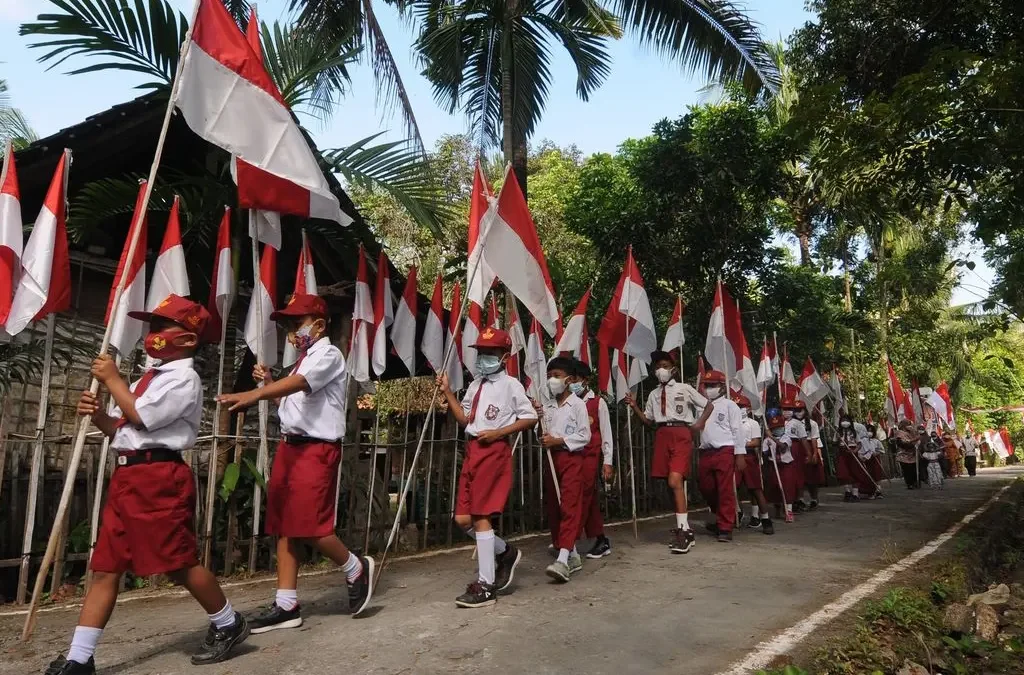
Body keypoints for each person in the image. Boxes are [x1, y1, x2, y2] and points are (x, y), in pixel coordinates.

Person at [46, 295, 249, 675]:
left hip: (159, 478)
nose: (151, 335)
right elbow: (120, 431)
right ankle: (80, 657)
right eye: (151, 327)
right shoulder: (145, 378)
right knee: (106, 566)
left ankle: (228, 622)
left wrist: (113, 380)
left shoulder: (183, 380)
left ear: (187, 340)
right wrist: (99, 411)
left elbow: (141, 418)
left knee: (178, 563)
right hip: (128, 476)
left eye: (160, 328)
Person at [218, 293, 375, 632]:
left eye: (296, 324)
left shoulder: (329, 355)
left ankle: (354, 566)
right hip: (291, 447)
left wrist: (257, 393)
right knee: (284, 525)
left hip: (316, 450)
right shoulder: (301, 361)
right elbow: (293, 409)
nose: (291, 333)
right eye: (288, 326)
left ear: (318, 325)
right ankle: (287, 603)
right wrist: (272, 384)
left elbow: (303, 385)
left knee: (309, 526)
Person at [438, 327, 537, 608]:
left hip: (493, 451)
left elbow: (529, 418)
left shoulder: (511, 385)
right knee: (463, 519)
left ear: (504, 356)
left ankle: (485, 584)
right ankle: (505, 552)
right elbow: (465, 419)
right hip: (472, 450)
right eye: (480, 352)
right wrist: (447, 392)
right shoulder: (475, 384)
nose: (483, 358)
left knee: (481, 515)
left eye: (490, 353)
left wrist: (498, 433)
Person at [625, 350, 709, 554]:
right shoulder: (654, 394)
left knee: (674, 480)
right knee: (670, 483)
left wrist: (699, 423)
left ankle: (683, 530)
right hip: (662, 434)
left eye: (664, 365)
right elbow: (648, 420)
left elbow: (708, 405)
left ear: (673, 369)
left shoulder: (684, 388)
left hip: (680, 432)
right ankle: (685, 528)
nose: (660, 370)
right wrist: (634, 406)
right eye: (657, 367)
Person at [538, 357, 591, 582]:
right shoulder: (548, 406)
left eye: (557, 376)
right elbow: (543, 435)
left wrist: (559, 440)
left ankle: (562, 560)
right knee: (554, 506)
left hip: (571, 459)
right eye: (550, 376)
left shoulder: (578, 405)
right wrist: (540, 425)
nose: (552, 380)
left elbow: (584, 436)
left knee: (569, 505)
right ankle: (571, 553)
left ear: (568, 380)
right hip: (552, 460)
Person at [571, 360, 615, 559]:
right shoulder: (568, 402)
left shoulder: (597, 402)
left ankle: (569, 542)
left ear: (585, 380)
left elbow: (606, 433)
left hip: (589, 457)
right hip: (571, 456)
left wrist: (608, 461)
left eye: (576, 379)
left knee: (582, 497)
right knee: (587, 501)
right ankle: (600, 539)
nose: (572, 383)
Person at [695, 370, 745, 542]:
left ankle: (725, 527)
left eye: (712, 386)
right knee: (706, 487)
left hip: (725, 450)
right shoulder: (701, 405)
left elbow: (737, 430)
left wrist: (740, 454)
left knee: (725, 489)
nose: (709, 389)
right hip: (706, 451)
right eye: (706, 386)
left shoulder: (730, 406)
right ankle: (723, 513)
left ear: (722, 387)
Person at [733, 394, 773, 535]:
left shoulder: (752, 423)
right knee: (733, 487)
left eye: (742, 407)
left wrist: (741, 443)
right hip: (734, 456)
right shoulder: (731, 423)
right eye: (737, 407)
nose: (739, 409)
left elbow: (756, 442)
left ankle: (766, 519)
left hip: (749, 457)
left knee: (756, 489)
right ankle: (737, 512)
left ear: (749, 409)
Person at [762, 412, 797, 523]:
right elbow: (764, 453)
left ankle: (789, 510)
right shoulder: (767, 441)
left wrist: (772, 438)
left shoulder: (786, 437)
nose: (777, 429)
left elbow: (782, 447)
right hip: (774, 465)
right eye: (774, 428)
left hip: (786, 465)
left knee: (787, 487)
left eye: (779, 427)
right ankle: (777, 507)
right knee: (774, 486)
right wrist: (766, 446)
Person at [781, 399, 812, 511]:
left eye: (789, 409)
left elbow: (803, 439)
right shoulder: (778, 421)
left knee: (796, 475)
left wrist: (808, 453)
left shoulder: (797, 423)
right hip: (780, 448)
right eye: (784, 409)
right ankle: (783, 501)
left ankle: (797, 499)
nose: (787, 411)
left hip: (795, 449)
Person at [836, 412, 861, 500]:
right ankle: (847, 491)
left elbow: (859, 444)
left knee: (855, 472)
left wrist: (854, 451)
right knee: (843, 473)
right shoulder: (838, 432)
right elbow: (834, 443)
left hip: (853, 453)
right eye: (843, 420)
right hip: (842, 453)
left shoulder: (854, 432)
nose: (845, 422)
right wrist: (837, 441)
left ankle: (855, 493)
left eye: (847, 420)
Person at [893, 421, 921, 489]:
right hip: (903, 454)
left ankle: (916, 482)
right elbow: (902, 443)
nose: (909, 426)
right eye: (907, 424)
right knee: (907, 470)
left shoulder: (912, 432)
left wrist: (913, 433)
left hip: (913, 454)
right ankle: (909, 484)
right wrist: (911, 442)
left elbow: (918, 438)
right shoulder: (899, 433)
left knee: (914, 469)